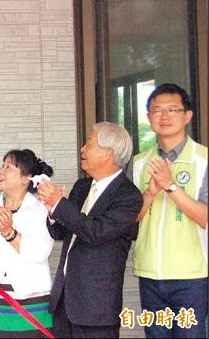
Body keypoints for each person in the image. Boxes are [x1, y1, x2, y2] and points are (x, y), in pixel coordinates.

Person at [37, 122, 143, 338]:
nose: (82, 149)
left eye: (89, 143)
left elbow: (96, 232)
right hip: (65, 300)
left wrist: (59, 204)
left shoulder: (128, 196)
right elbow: (61, 232)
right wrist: (52, 211)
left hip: (97, 308)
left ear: (108, 153)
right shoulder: (82, 186)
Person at [132, 83, 207, 339]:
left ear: (187, 115)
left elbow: (205, 218)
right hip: (150, 274)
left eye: (173, 109)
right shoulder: (140, 162)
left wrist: (171, 186)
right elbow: (132, 219)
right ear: (148, 116)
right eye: (157, 110)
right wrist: (151, 193)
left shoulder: (203, 160)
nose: (164, 116)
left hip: (192, 276)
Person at [0, 149, 55, 338]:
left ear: (26, 178)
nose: (0, 172)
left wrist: (10, 233)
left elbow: (40, 251)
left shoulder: (41, 208)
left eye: (8, 167)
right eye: (2, 166)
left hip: (32, 296)